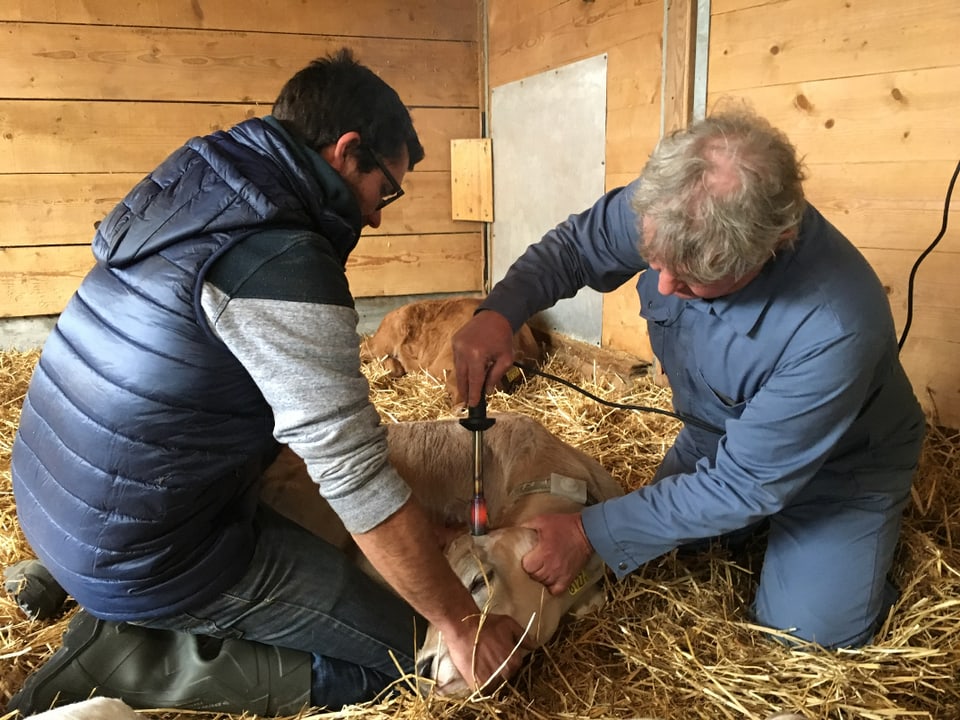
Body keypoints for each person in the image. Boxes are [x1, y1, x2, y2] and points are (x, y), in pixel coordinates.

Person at [8, 48, 527, 716]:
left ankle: (76, 579)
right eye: (385, 190)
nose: (376, 217)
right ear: (346, 152)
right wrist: (461, 623)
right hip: (147, 553)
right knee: (410, 654)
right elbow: (352, 473)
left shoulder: (198, 190)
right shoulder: (280, 260)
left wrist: (422, 525)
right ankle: (126, 657)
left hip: (52, 497)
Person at [452, 108, 926, 649]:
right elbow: (574, 250)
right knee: (671, 551)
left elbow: (744, 484)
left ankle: (855, 553)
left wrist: (589, 532)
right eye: (654, 259)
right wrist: (499, 312)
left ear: (777, 243)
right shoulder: (675, 202)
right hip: (715, 431)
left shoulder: (836, 323)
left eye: (697, 278)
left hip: (842, 467)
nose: (665, 283)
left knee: (805, 637)